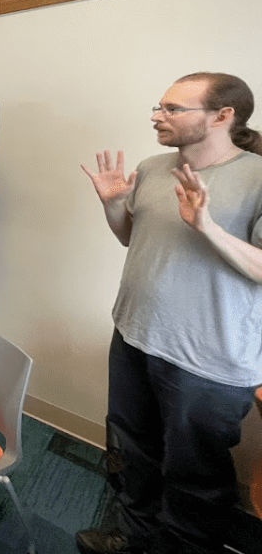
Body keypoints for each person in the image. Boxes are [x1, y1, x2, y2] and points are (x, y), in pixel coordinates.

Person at [79, 72, 262, 554]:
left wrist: (208, 226)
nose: (158, 116)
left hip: (208, 361)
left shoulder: (258, 177)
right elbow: (131, 237)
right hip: (134, 336)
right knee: (132, 452)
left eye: (173, 109)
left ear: (223, 116)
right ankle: (133, 534)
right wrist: (113, 205)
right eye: (158, 107)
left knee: (194, 474)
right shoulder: (153, 167)